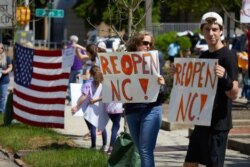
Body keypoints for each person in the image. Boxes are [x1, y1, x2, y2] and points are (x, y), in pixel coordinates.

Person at [177, 12, 239, 167]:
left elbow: (234, 94)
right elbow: (194, 87)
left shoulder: (228, 56)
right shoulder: (204, 56)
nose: (211, 33)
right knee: (190, 163)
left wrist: (225, 78)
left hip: (218, 124)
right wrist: (179, 75)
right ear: (202, 31)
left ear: (221, 31)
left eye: (215, 29)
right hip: (202, 120)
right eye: (207, 29)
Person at [124, 30, 166, 167]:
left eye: (150, 43)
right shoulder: (124, 60)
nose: (148, 46)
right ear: (136, 43)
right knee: (140, 150)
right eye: (145, 43)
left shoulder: (156, 58)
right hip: (131, 110)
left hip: (151, 109)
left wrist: (161, 85)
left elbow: (163, 93)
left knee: (145, 150)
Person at [71, 65, 107, 150]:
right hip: (101, 106)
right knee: (102, 126)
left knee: (92, 127)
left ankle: (93, 146)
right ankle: (105, 145)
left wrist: (77, 106)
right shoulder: (103, 84)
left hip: (90, 107)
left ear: (91, 74)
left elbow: (84, 96)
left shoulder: (88, 85)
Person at [66, 35, 88, 104]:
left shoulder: (69, 48)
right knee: (77, 84)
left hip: (74, 69)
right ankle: (75, 99)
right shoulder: (77, 48)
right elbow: (85, 57)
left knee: (72, 84)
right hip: (76, 68)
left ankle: (72, 99)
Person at [0, 43, 13, 113]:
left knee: (3, 97)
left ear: (3, 49)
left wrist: (5, 71)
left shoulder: (7, 57)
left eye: (1, 48)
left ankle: (2, 111)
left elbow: (10, 67)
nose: (0, 49)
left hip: (4, 80)